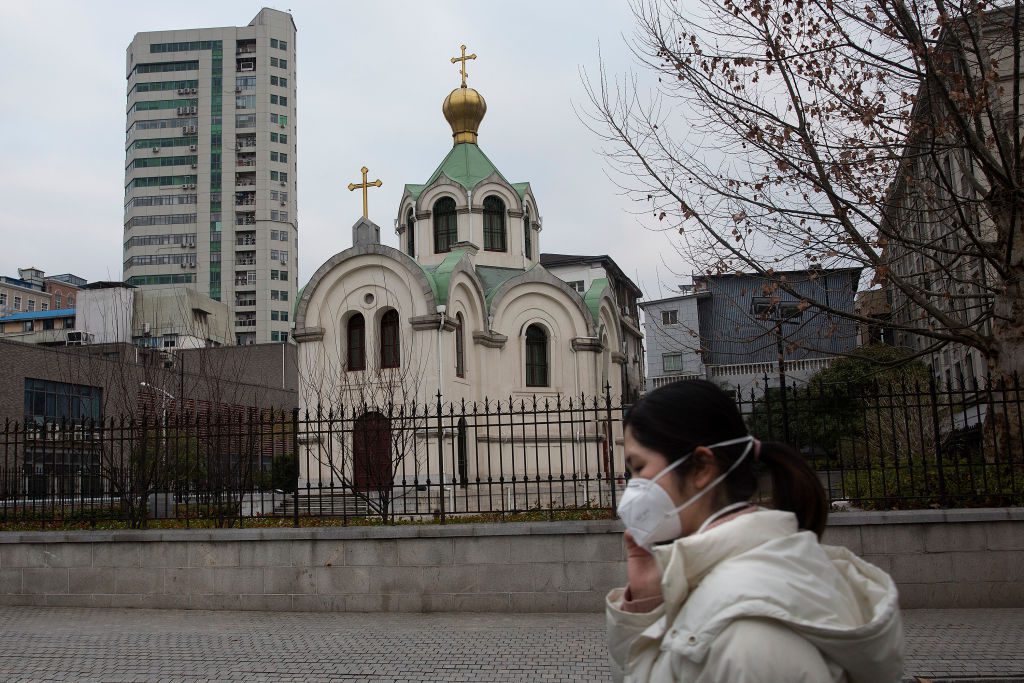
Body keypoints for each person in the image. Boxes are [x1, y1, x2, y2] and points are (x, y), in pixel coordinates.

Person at [607, 380, 903, 682]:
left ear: (701, 468)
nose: (633, 487)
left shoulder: (749, 636)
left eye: (639, 468)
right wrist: (646, 602)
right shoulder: (716, 578)